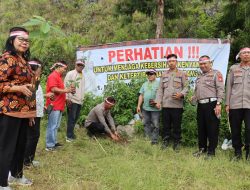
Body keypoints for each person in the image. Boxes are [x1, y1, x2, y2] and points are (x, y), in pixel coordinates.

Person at [0, 27, 35, 189]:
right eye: (21, 40)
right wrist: (18, 88)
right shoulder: (7, 58)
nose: (25, 43)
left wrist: (30, 112)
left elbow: (25, 85)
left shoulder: (24, 61)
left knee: (21, 145)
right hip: (9, 110)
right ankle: (1, 183)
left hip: (23, 111)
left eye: (27, 41)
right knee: (6, 147)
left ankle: (16, 175)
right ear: (11, 40)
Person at [191, 55, 224, 158]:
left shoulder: (216, 74)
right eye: (201, 64)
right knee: (202, 128)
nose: (203, 65)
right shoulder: (199, 76)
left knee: (212, 128)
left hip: (212, 104)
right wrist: (194, 98)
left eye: (205, 63)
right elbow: (197, 91)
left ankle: (211, 152)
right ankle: (202, 149)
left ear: (210, 63)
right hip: (201, 105)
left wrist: (218, 104)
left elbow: (220, 89)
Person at [24, 59, 54, 167]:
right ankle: (27, 161)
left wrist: (44, 105)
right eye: (39, 69)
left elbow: (36, 96)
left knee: (34, 136)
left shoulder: (36, 80)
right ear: (33, 70)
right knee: (32, 136)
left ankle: (30, 159)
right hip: (33, 114)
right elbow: (29, 99)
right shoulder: (31, 81)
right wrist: (30, 115)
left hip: (37, 112)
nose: (40, 71)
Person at [155, 54, 189, 151]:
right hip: (165, 105)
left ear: (176, 62)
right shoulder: (164, 74)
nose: (171, 63)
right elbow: (160, 89)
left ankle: (177, 143)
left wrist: (181, 94)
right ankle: (165, 142)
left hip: (177, 105)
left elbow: (187, 87)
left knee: (176, 126)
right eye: (169, 61)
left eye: (173, 61)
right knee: (166, 126)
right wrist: (158, 101)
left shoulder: (182, 74)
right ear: (167, 63)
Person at [225, 47, 250, 160]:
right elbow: (229, 86)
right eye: (244, 53)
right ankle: (237, 152)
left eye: (248, 53)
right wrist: (227, 104)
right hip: (235, 104)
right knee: (235, 129)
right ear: (240, 55)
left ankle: (248, 151)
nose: (246, 55)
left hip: (249, 104)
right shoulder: (233, 68)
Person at [45, 61, 75, 151]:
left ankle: (54, 142)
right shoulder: (53, 76)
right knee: (52, 125)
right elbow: (54, 89)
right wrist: (67, 90)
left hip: (59, 105)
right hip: (54, 105)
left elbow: (60, 91)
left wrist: (66, 94)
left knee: (56, 126)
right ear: (58, 67)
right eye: (64, 68)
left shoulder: (58, 77)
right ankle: (49, 146)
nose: (65, 70)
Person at [136, 69, 160, 144]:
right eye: (148, 74)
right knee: (146, 123)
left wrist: (158, 103)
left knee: (155, 125)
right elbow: (141, 95)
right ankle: (147, 139)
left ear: (155, 75)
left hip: (155, 109)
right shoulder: (144, 84)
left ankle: (154, 141)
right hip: (145, 108)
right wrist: (138, 106)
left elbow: (162, 95)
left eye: (151, 74)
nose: (149, 75)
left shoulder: (159, 84)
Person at [64, 60, 85, 142]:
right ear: (75, 65)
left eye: (81, 65)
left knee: (75, 118)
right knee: (71, 118)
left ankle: (71, 134)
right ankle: (69, 136)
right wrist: (67, 98)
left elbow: (82, 88)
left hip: (79, 100)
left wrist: (82, 99)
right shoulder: (70, 73)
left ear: (83, 67)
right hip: (72, 100)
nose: (80, 66)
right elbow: (65, 85)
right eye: (78, 64)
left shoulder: (82, 75)